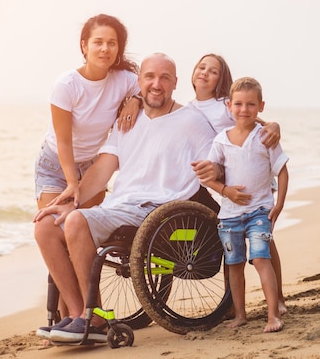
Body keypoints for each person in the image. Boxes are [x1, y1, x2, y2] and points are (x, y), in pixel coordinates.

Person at [33, 53, 217, 342]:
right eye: (150, 77)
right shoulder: (127, 121)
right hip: (120, 207)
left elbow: (216, 162)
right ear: (139, 82)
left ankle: (94, 318)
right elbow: (102, 170)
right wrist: (71, 200)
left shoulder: (191, 122)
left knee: (77, 222)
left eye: (164, 78)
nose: (156, 84)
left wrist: (223, 173)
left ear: (175, 83)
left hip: (159, 210)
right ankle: (79, 313)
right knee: (45, 226)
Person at [189, 53, 287, 315]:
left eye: (213, 71)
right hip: (219, 179)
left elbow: (257, 123)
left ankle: (278, 298)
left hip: (247, 175)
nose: (205, 73)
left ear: (222, 79)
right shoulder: (187, 108)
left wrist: (274, 124)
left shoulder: (225, 104)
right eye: (201, 67)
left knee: (265, 241)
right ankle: (233, 304)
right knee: (229, 239)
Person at [34, 13, 143, 213]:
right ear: (84, 46)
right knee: (52, 226)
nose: (105, 49)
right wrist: (71, 183)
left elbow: (150, 88)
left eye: (112, 43)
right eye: (98, 42)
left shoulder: (124, 79)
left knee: (85, 230)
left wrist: (136, 100)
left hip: (92, 167)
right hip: (56, 165)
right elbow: (63, 141)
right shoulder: (67, 85)